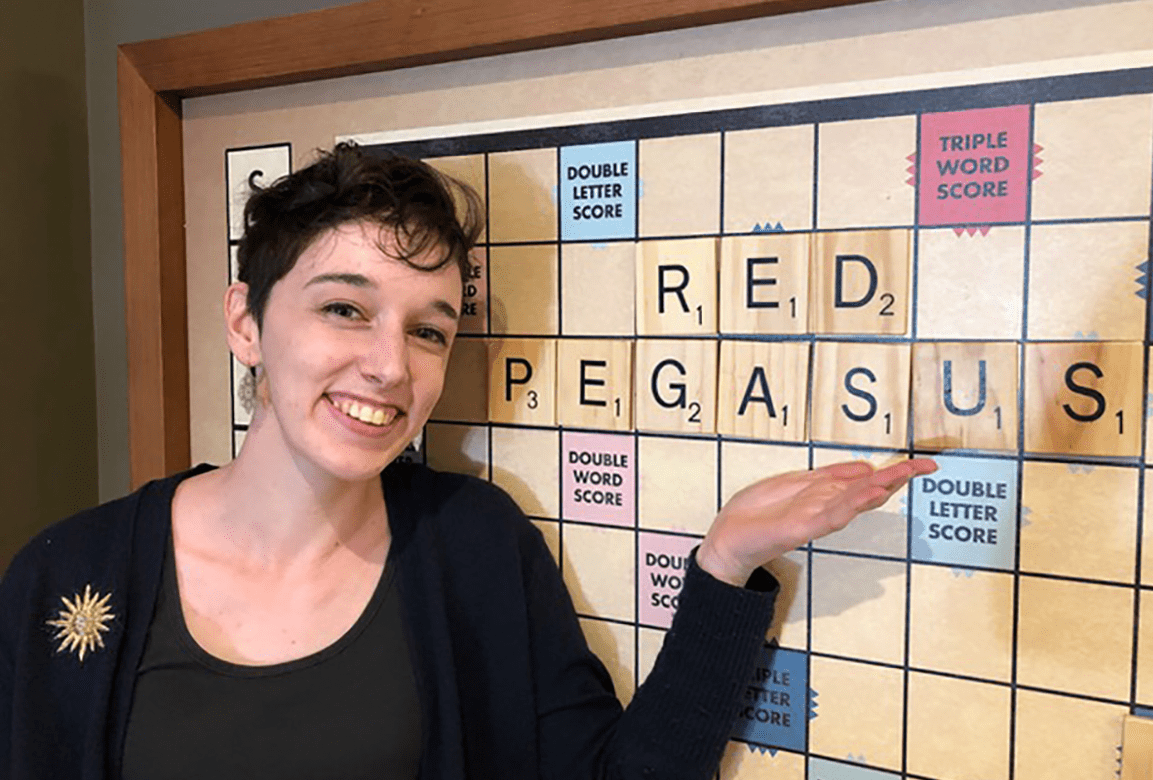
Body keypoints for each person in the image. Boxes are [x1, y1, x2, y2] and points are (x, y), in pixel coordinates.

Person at [0, 142, 935, 779]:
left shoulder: (475, 543)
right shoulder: (65, 573)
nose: (389, 365)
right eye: (344, 308)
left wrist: (726, 562)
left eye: (429, 330)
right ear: (246, 321)